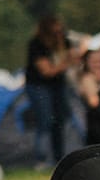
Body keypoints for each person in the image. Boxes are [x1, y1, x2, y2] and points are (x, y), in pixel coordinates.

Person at [25, 13, 83, 165]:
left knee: (60, 121)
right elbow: (47, 71)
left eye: (60, 31)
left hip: (58, 86)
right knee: (45, 122)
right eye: (55, 32)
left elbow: (75, 59)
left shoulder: (65, 41)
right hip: (38, 86)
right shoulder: (36, 45)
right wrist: (68, 62)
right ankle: (41, 159)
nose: (59, 34)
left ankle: (59, 158)